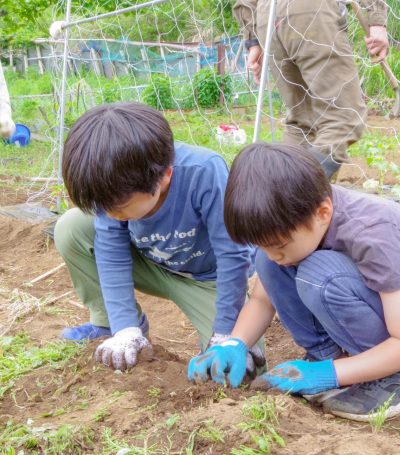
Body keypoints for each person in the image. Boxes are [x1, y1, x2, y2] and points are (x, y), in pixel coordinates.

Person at [188, 142, 400, 421]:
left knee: (319, 275)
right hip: (382, 307)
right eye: (264, 245)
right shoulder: (299, 223)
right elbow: (262, 299)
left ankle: (398, 379)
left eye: (279, 245)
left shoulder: (372, 234)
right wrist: (234, 344)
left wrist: (326, 375)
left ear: (323, 213)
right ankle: (332, 358)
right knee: (269, 265)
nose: (274, 254)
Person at [54, 102, 264, 373]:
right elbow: (111, 254)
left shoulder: (204, 173)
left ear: (165, 177)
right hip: (151, 263)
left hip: (207, 279)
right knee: (72, 228)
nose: (110, 214)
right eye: (103, 208)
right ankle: (109, 323)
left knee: (238, 369)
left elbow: (232, 255)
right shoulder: (112, 188)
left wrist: (225, 332)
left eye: (120, 208)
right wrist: (125, 328)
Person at [233, 0, 389, 179]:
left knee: (302, 123)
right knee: (344, 116)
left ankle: (277, 189)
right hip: (311, 11)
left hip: (268, 17)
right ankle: (298, 190)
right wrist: (377, 17)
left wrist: (253, 40)